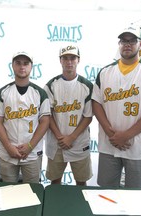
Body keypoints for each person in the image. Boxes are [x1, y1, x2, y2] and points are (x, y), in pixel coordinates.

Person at [92, 25, 141, 189]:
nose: (127, 44)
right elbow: (96, 103)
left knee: (137, 194)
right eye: (124, 41)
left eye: (132, 40)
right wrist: (112, 134)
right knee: (106, 192)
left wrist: (126, 135)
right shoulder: (105, 72)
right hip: (109, 143)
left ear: (140, 45)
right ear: (118, 44)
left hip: (138, 145)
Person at [0, 51, 50, 183]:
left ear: (31, 66)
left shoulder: (40, 93)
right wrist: (8, 146)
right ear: (12, 66)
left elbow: (45, 122)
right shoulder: (2, 93)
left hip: (32, 152)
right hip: (7, 152)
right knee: (8, 191)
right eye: (18, 63)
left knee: (32, 191)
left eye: (26, 63)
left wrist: (30, 145)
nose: (22, 67)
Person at [44, 45, 93, 186]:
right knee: (55, 181)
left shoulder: (87, 86)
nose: (69, 61)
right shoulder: (51, 85)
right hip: (56, 142)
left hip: (79, 142)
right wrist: (61, 137)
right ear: (60, 60)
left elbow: (88, 116)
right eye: (65, 58)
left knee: (81, 183)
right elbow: (48, 114)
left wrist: (71, 137)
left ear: (78, 60)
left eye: (72, 58)